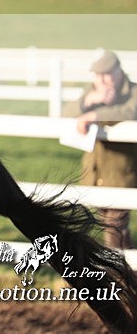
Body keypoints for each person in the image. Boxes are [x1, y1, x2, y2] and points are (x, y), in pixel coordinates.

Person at [71, 50, 137, 249]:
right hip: (95, 172)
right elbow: (66, 113)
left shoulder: (133, 92)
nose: (101, 80)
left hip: (121, 174)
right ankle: (125, 265)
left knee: (114, 227)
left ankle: (119, 266)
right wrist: (87, 102)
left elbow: (129, 113)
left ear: (118, 71)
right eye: (98, 75)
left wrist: (95, 115)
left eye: (106, 74)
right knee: (111, 228)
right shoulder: (92, 93)